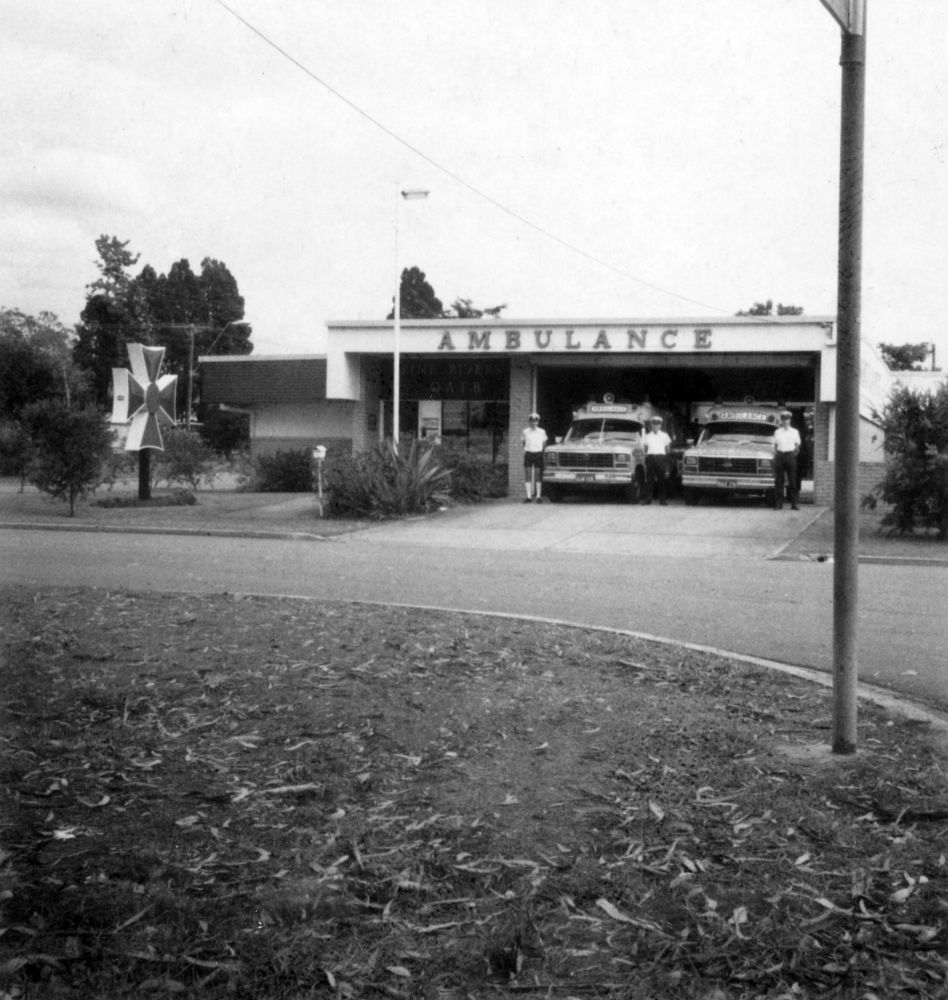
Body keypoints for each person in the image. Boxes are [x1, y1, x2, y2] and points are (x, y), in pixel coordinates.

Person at [773, 409, 801, 510]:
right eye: (783, 419)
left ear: (790, 420)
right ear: (781, 420)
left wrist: (793, 455)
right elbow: (775, 445)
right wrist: (777, 454)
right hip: (780, 456)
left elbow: (797, 446)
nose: (785, 421)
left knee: (793, 481)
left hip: (790, 456)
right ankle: (779, 504)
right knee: (779, 481)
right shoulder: (777, 432)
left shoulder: (795, 432)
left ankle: (794, 504)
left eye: (787, 419)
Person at [643, 415, 671, 506]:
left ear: (660, 425)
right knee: (649, 480)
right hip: (651, 457)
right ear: (651, 425)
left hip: (660, 458)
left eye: (657, 424)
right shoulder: (647, 436)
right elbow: (645, 448)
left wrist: (665, 459)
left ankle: (662, 500)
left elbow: (668, 449)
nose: (655, 426)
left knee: (661, 480)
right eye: (654, 424)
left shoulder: (665, 435)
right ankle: (648, 500)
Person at [521, 412, 547, 502]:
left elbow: (544, 443)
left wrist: (540, 451)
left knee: (537, 474)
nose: (533, 423)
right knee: (528, 474)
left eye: (535, 421)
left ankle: (538, 496)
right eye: (532, 421)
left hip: (538, 453)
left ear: (538, 422)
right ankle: (528, 497)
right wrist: (526, 449)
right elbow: (523, 442)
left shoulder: (542, 431)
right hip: (528, 453)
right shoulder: (525, 431)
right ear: (529, 422)